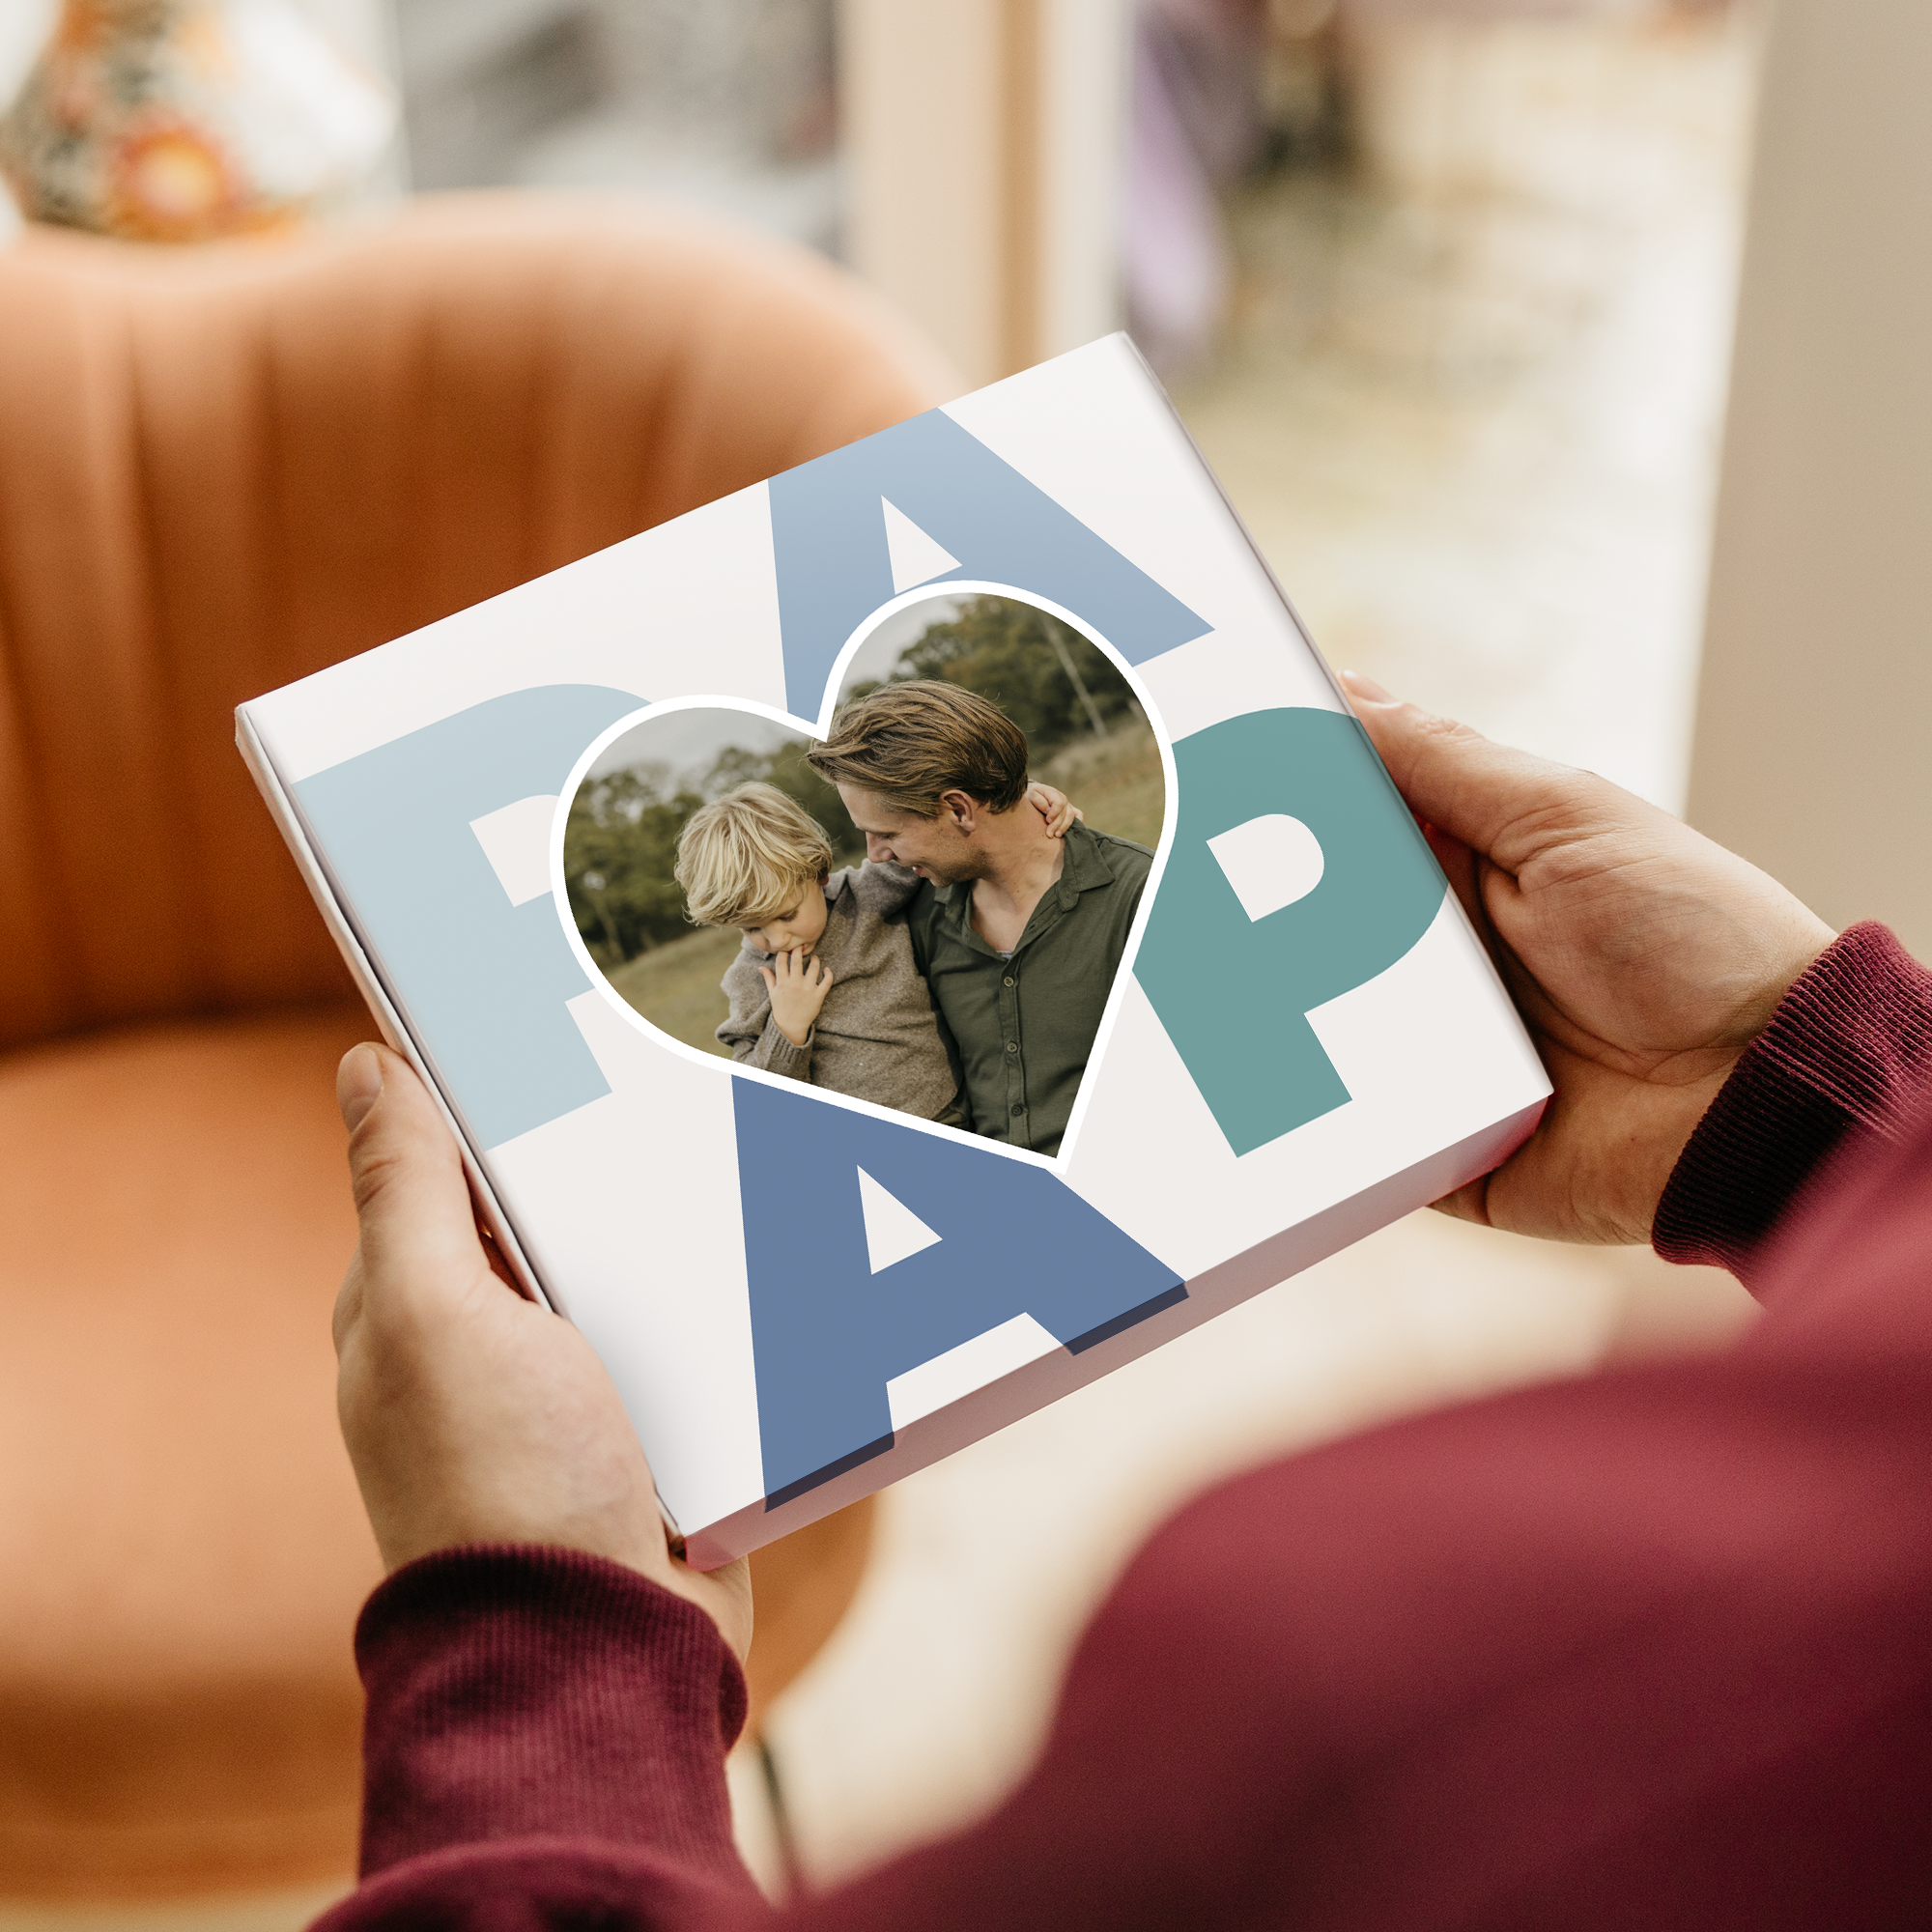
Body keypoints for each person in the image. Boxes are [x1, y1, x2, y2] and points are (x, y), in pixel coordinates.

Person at [322, 672, 1932, 1931]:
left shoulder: (1398, 1745)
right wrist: (1792, 1083)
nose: (873, 867)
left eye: (890, 841)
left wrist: (534, 1625)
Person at [805, 680, 1151, 1156]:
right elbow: (781, 912)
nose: (876, 855)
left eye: (886, 833)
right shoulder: (914, 911)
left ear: (958, 808)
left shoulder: (1142, 896)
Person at [677, 779, 1081, 1124]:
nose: (777, 940)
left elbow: (940, 839)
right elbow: (759, 1096)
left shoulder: (865, 896)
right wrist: (788, 1029)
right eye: (752, 928)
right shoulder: (752, 979)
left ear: (818, 873)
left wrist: (1023, 800)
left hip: (960, 1111)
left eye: (787, 915)